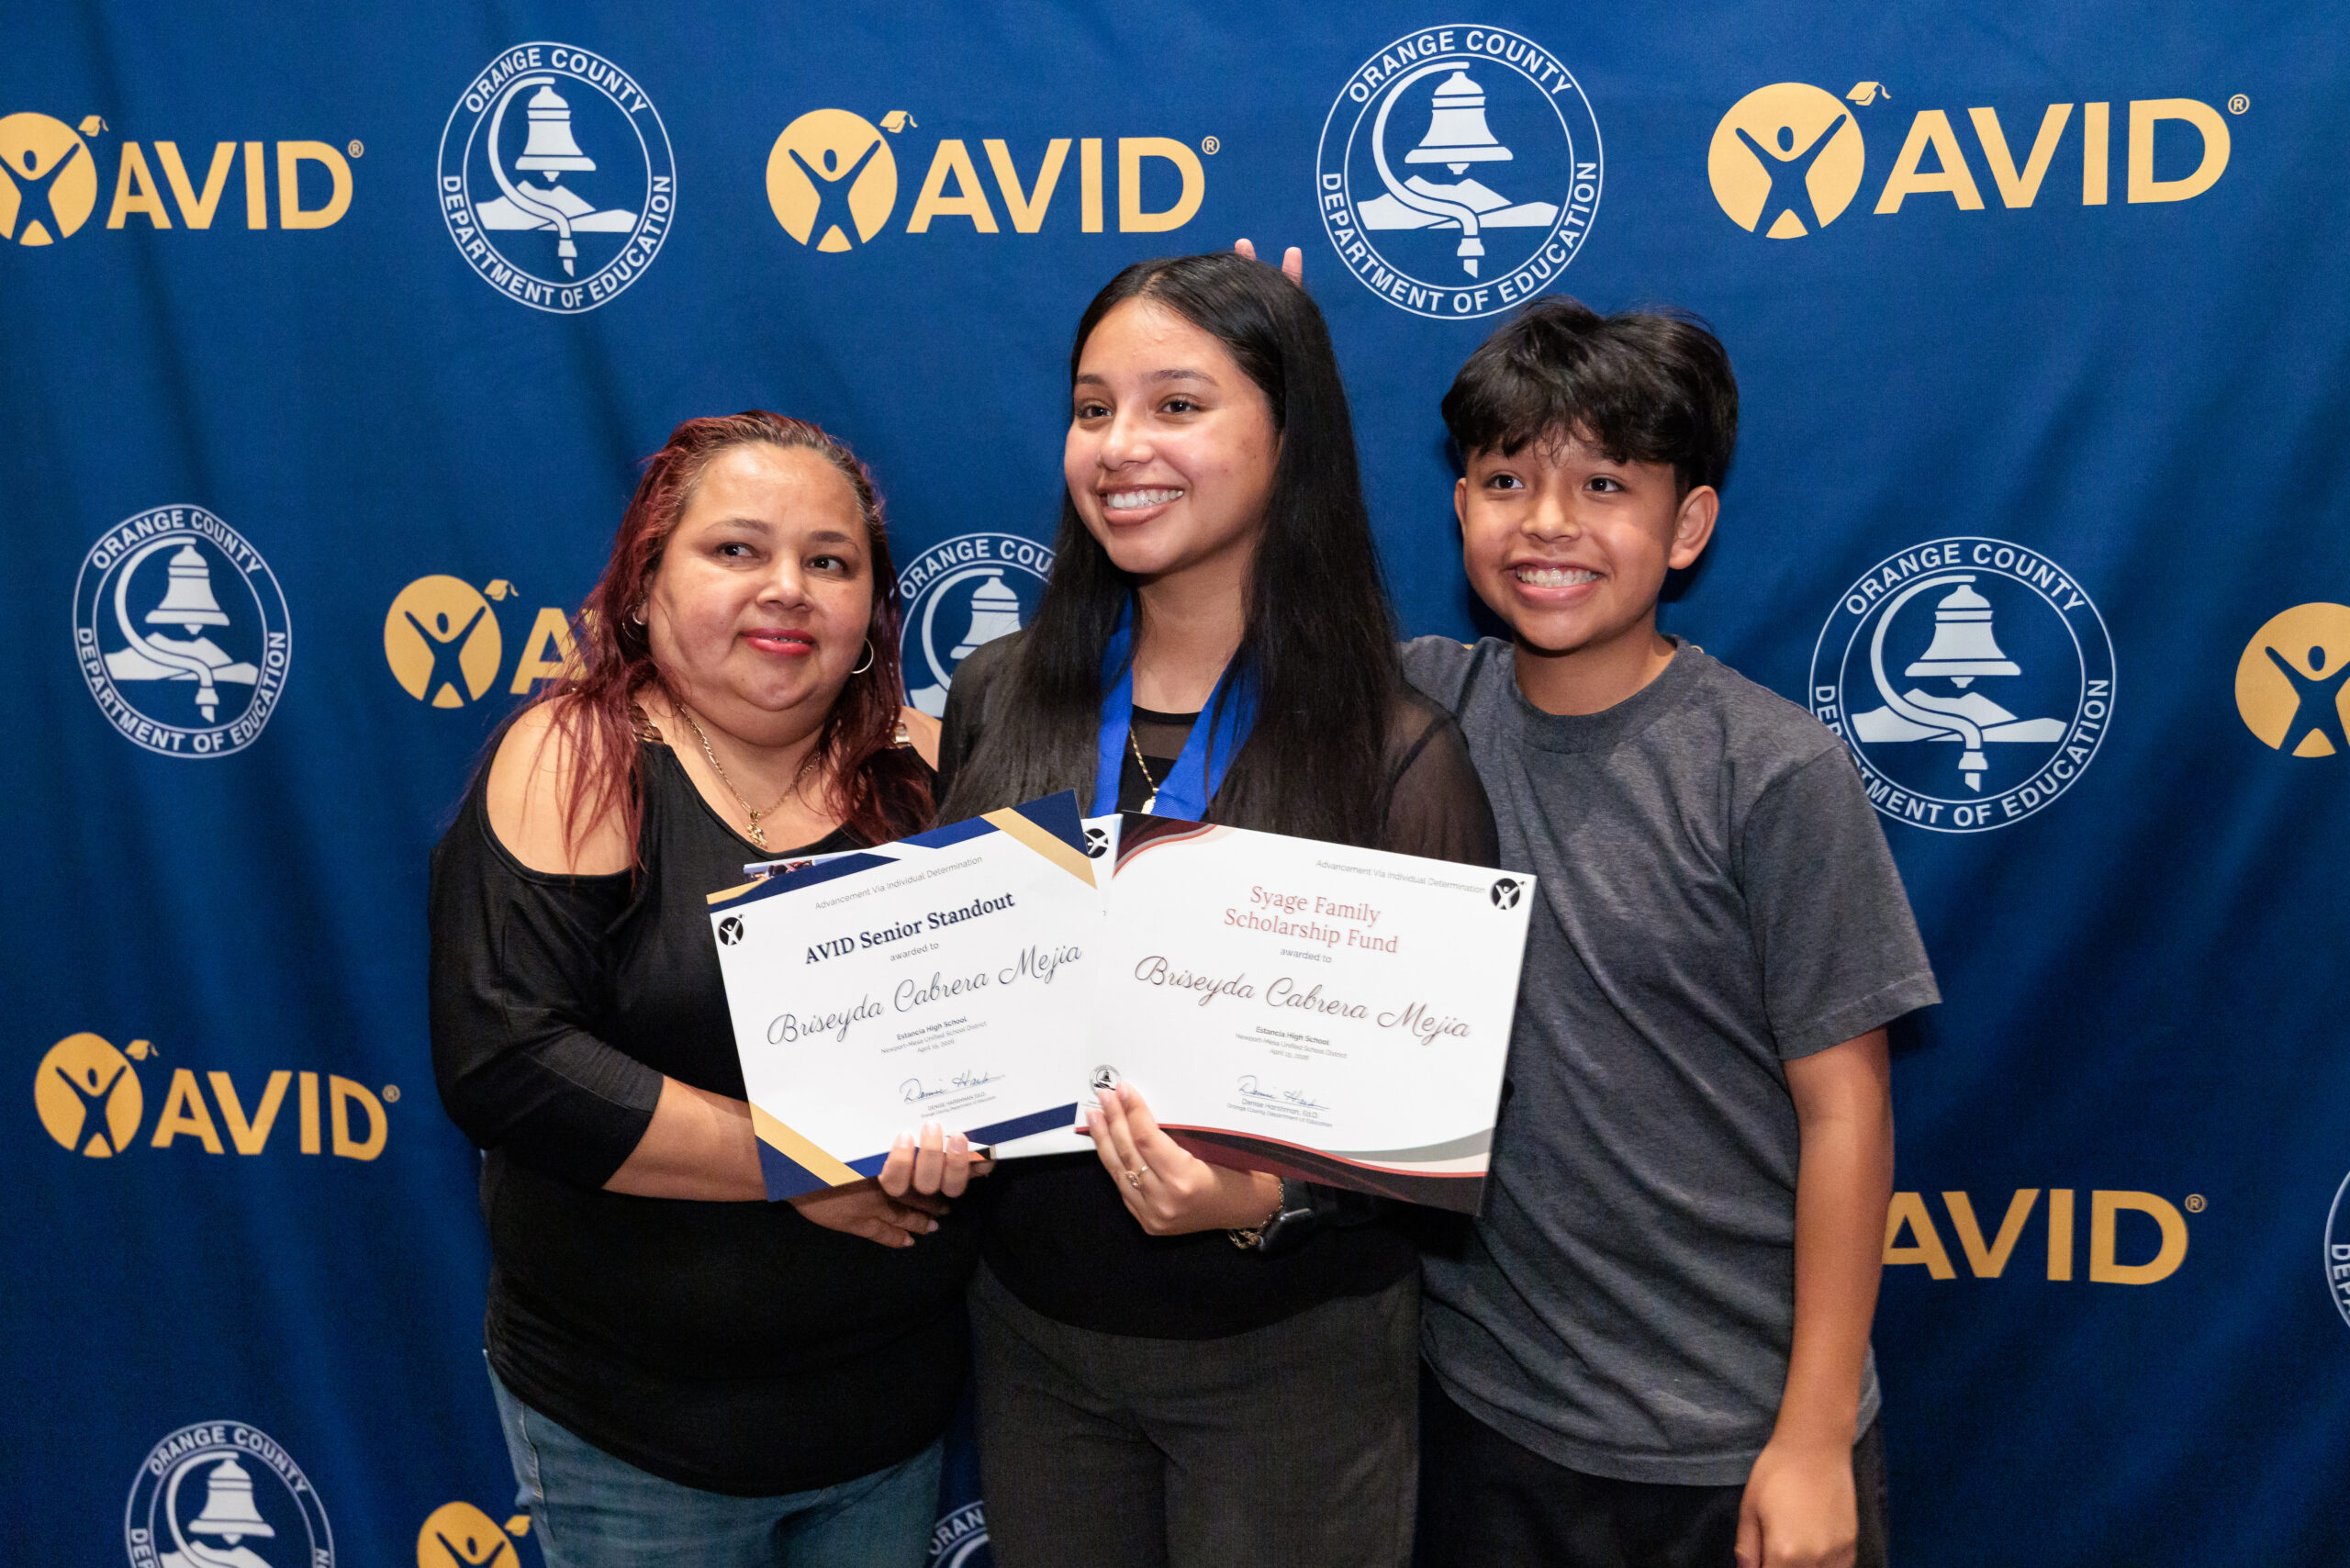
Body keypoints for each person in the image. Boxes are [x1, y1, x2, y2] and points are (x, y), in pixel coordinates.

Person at [934, 251, 1498, 1568]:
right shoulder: (997, 696)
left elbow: (1438, 1118)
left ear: (1290, 439)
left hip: (1288, 1364)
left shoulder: (1397, 752)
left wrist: (1262, 1199)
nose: (1121, 446)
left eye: (1179, 404)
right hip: (1033, 1340)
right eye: (1092, 407)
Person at [1401, 298, 1940, 1568]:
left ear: (1686, 523)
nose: (1547, 523)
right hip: (1493, 1420)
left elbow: (1847, 1113)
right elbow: (1227, 628)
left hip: (1737, 1444)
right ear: (1459, 506)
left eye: (1603, 484)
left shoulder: (1771, 770)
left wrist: (1808, 1443)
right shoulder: (1418, 708)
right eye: (1505, 479)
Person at [429, 411, 988, 1568]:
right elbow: (508, 1061)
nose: (787, 589)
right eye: (736, 550)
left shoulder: (940, 775)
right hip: (633, 1431)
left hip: (885, 1414)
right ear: (644, 585)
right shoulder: (573, 757)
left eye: (828, 562)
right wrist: (800, 1164)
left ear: (873, 613)